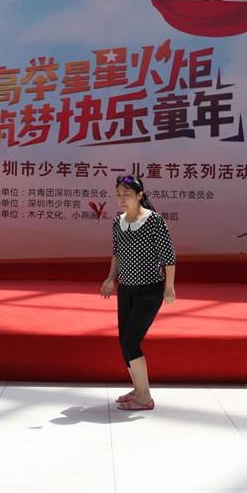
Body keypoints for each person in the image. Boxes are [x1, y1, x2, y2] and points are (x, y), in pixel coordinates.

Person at [100, 174, 176, 412]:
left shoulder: (153, 220)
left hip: (149, 289)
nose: (122, 199)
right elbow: (117, 253)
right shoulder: (118, 221)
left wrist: (169, 287)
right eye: (118, 195)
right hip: (126, 289)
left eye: (127, 195)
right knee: (124, 340)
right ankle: (138, 389)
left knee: (131, 340)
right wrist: (111, 278)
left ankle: (145, 397)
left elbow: (169, 256)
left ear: (140, 195)